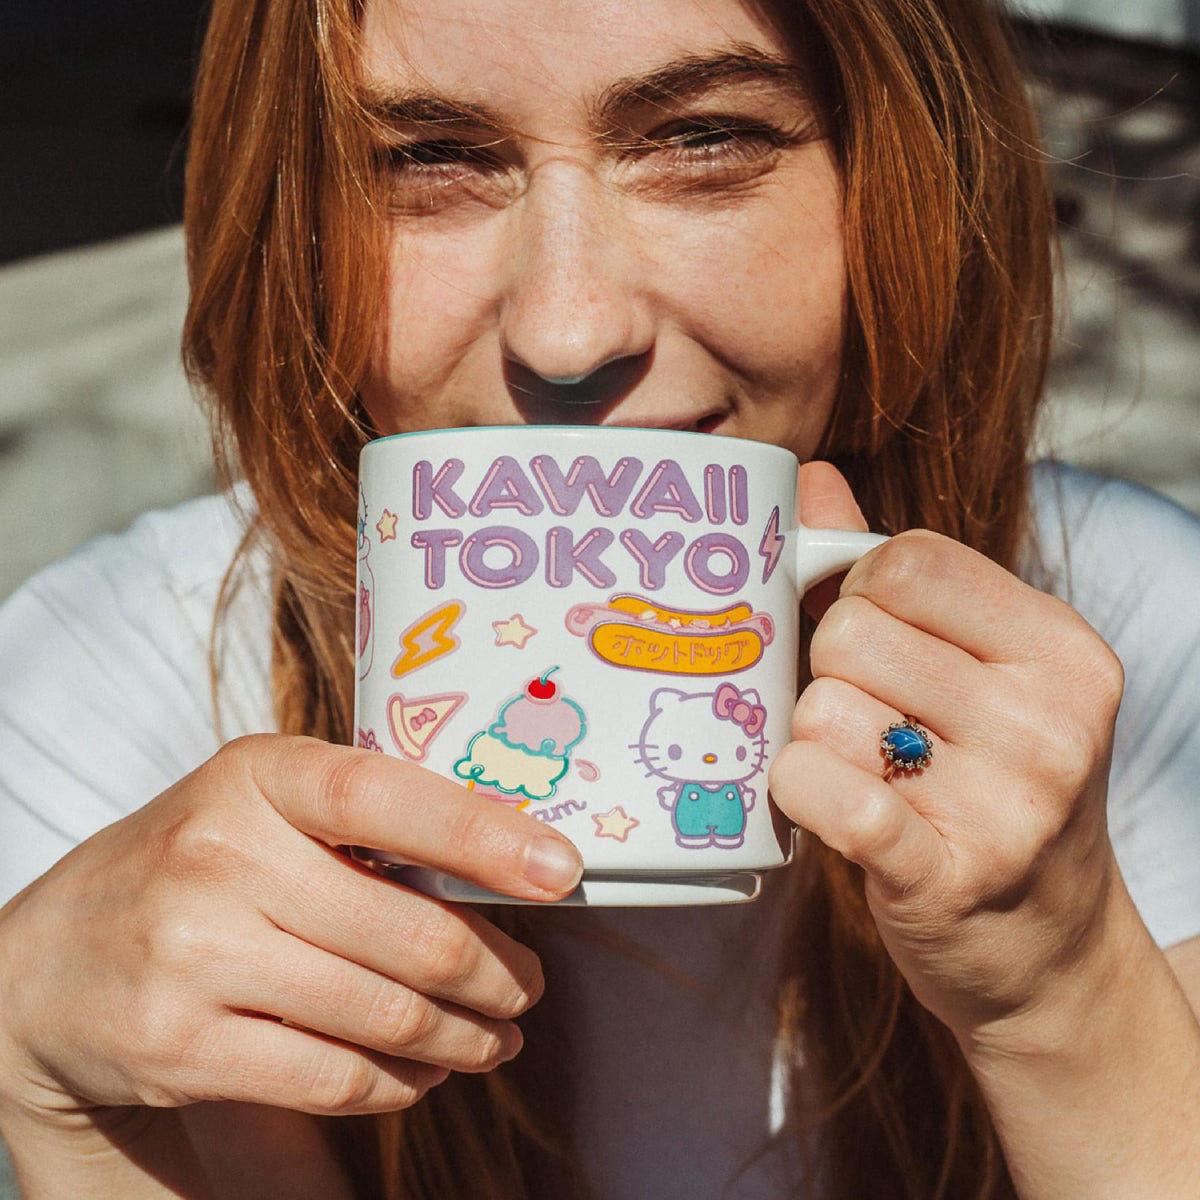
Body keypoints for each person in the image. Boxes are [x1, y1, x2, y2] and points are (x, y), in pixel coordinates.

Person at [0, 0, 1198, 1196]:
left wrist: (1065, 992)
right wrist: (66, 1112)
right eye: (427, 158)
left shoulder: (1135, 636)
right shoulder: (106, 681)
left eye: (705, 139)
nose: (567, 336)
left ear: (911, 174)